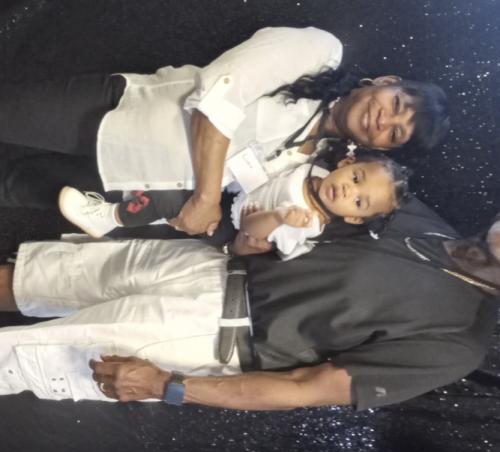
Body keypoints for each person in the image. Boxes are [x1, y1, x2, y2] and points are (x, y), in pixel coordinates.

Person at [0, 198, 497, 410]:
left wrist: (165, 386)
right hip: (205, 262)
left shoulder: (457, 341)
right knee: (22, 279)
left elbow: (305, 388)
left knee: (16, 356)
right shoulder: (417, 214)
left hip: (210, 332)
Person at [0, 27, 449, 239]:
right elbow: (218, 93)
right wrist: (206, 199)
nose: (383, 120)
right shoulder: (320, 53)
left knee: (15, 187)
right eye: (396, 105)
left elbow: (245, 196)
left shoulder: (319, 164)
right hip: (120, 115)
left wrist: (206, 211)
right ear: (386, 82)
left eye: (395, 135)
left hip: (129, 183)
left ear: (379, 147)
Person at [56, 153, 410, 258]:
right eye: (356, 177)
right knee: (177, 178)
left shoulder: (307, 224)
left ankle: (107, 217)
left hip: (230, 224)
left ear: (354, 218)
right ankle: (133, 200)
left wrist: (279, 217)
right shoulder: (315, 167)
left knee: (169, 201)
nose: (347, 190)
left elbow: (251, 232)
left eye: (358, 201)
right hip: (232, 188)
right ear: (347, 163)